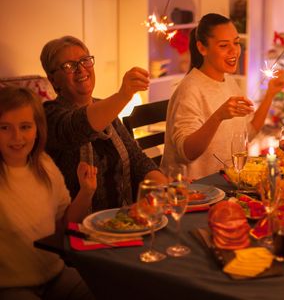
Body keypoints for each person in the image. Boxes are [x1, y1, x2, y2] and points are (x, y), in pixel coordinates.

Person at [40, 36, 167, 211]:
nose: (81, 69)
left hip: (125, 218)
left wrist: (162, 188)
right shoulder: (49, 115)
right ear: (53, 80)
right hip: (80, 227)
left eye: (85, 60)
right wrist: (123, 95)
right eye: (69, 66)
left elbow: (136, 158)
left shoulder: (104, 109)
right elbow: (79, 126)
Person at [161, 13, 284, 179]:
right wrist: (218, 116)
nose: (234, 51)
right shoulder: (189, 90)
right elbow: (187, 153)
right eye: (223, 46)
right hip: (194, 193)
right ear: (202, 48)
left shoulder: (229, 82)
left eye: (236, 43)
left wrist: (270, 95)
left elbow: (246, 135)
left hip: (228, 184)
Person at [0, 86, 95, 299]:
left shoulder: (44, 164)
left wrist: (86, 191)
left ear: (38, 129)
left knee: (103, 290)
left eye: (25, 127)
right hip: (10, 287)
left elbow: (66, 223)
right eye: (5, 128)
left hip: (56, 274)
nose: (17, 137)